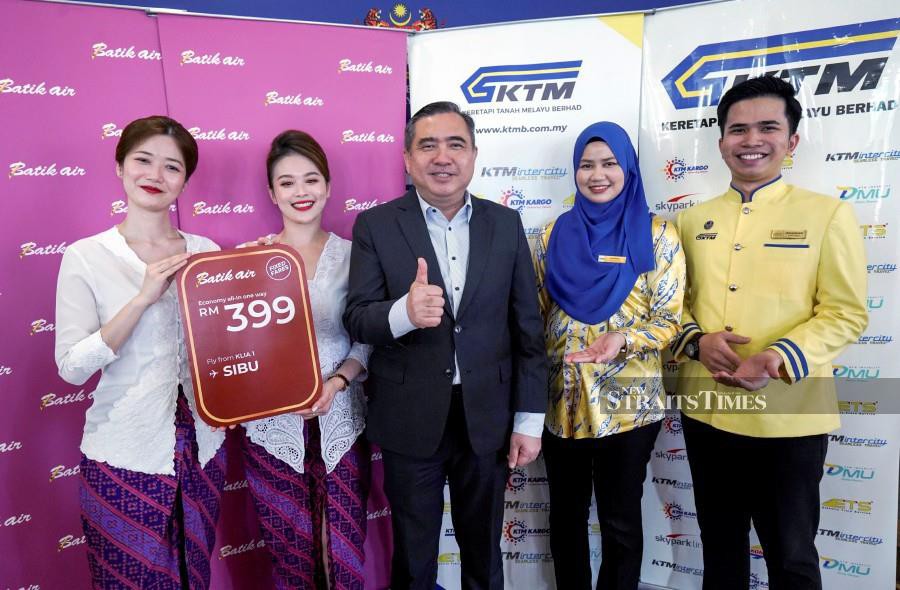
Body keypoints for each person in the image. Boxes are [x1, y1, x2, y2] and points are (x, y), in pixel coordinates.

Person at [671, 76, 868, 589]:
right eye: (737, 129)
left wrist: (778, 357)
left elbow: (846, 312)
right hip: (708, 412)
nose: (750, 139)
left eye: (767, 127)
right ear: (721, 143)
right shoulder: (691, 220)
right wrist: (696, 341)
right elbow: (675, 306)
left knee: (793, 558)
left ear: (792, 140)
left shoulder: (827, 214)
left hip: (789, 417)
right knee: (720, 551)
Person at [343, 101, 548, 590]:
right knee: (414, 560)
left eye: (455, 144)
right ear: (408, 159)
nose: (442, 157)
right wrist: (403, 313)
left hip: (488, 418)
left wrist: (528, 421)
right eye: (427, 145)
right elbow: (357, 318)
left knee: (484, 554)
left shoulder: (505, 224)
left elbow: (528, 331)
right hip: (409, 418)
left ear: (474, 155)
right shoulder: (375, 226)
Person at [54, 115, 226, 589]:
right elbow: (70, 367)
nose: (156, 175)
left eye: (172, 167)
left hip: (203, 448)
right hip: (123, 452)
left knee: (195, 574)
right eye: (143, 160)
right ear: (120, 167)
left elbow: (226, 349)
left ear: (185, 181)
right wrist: (142, 298)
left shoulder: (206, 251)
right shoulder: (87, 256)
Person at [534, 121, 685, 590]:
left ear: (628, 169)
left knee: (620, 522)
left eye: (609, 163)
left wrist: (624, 340)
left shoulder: (658, 235)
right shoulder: (549, 235)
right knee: (566, 520)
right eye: (586, 165)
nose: (597, 175)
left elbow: (670, 320)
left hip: (628, 408)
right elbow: (534, 319)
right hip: (562, 405)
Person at [240, 130, 372, 590]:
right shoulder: (248, 262)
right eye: (288, 182)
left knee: (342, 547)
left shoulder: (356, 258)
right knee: (289, 551)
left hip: (340, 420)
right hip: (273, 428)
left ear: (328, 186)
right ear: (272, 192)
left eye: (311, 180)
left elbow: (366, 342)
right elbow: (235, 353)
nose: (302, 192)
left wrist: (335, 383)